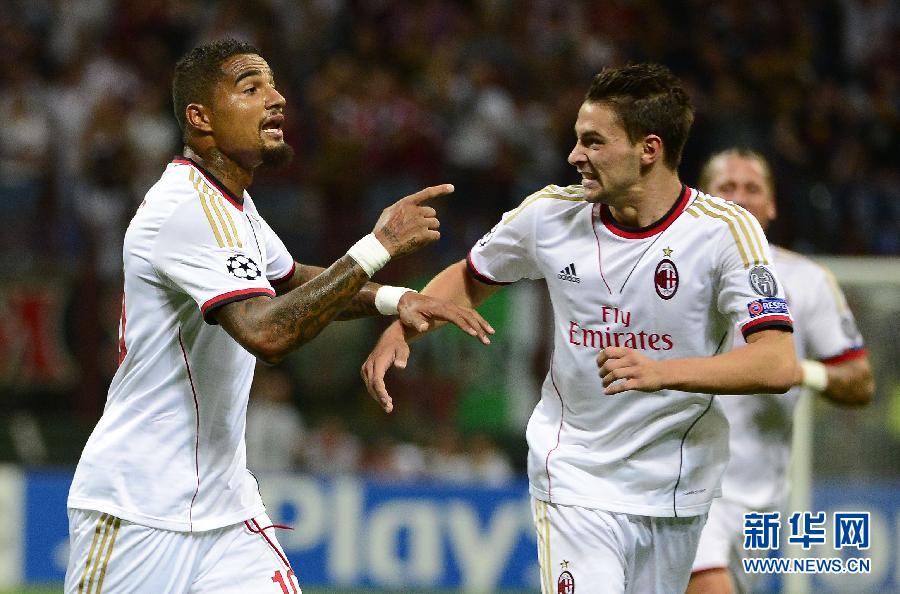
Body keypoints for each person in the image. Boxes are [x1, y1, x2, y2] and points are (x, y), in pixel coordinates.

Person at [64, 38, 493, 594]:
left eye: (272, 84)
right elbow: (265, 331)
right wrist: (377, 246)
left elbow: (289, 279)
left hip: (224, 509)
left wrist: (392, 298)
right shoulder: (184, 209)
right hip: (138, 510)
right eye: (251, 88)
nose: (277, 99)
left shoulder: (232, 203)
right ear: (201, 118)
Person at [362, 63, 799, 594]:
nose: (575, 157)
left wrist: (662, 373)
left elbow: (777, 362)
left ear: (649, 149)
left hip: (677, 484)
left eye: (592, 142)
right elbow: (471, 277)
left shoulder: (726, 232)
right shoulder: (548, 215)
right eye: (576, 141)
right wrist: (402, 325)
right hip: (576, 474)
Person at [687, 148, 875, 594]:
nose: (739, 198)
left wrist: (800, 372)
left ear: (771, 205)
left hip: (756, 501)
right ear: (700, 200)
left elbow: (861, 382)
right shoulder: (667, 271)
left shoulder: (806, 281)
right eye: (726, 188)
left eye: (752, 188)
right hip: (680, 480)